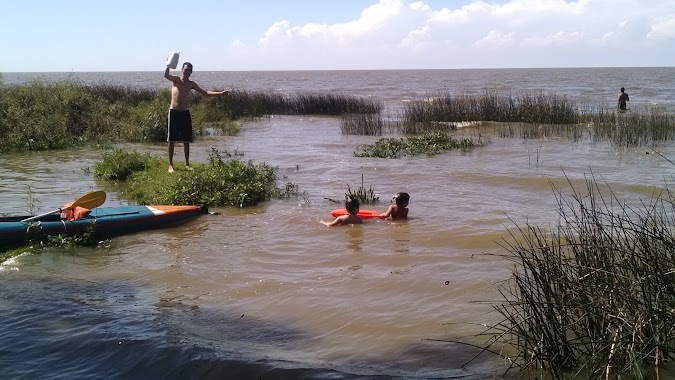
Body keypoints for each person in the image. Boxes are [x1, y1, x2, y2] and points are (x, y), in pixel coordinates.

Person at [164, 61, 229, 173]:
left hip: (185, 112)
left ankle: (187, 163)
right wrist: (168, 65)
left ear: (191, 72)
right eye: (185, 69)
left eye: (189, 70)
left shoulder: (191, 84)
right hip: (174, 111)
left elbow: (206, 93)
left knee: (186, 140)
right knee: (172, 139)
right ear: (182, 70)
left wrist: (221, 93)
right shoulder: (176, 80)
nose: (187, 71)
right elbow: (166, 75)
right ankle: (170, 164)